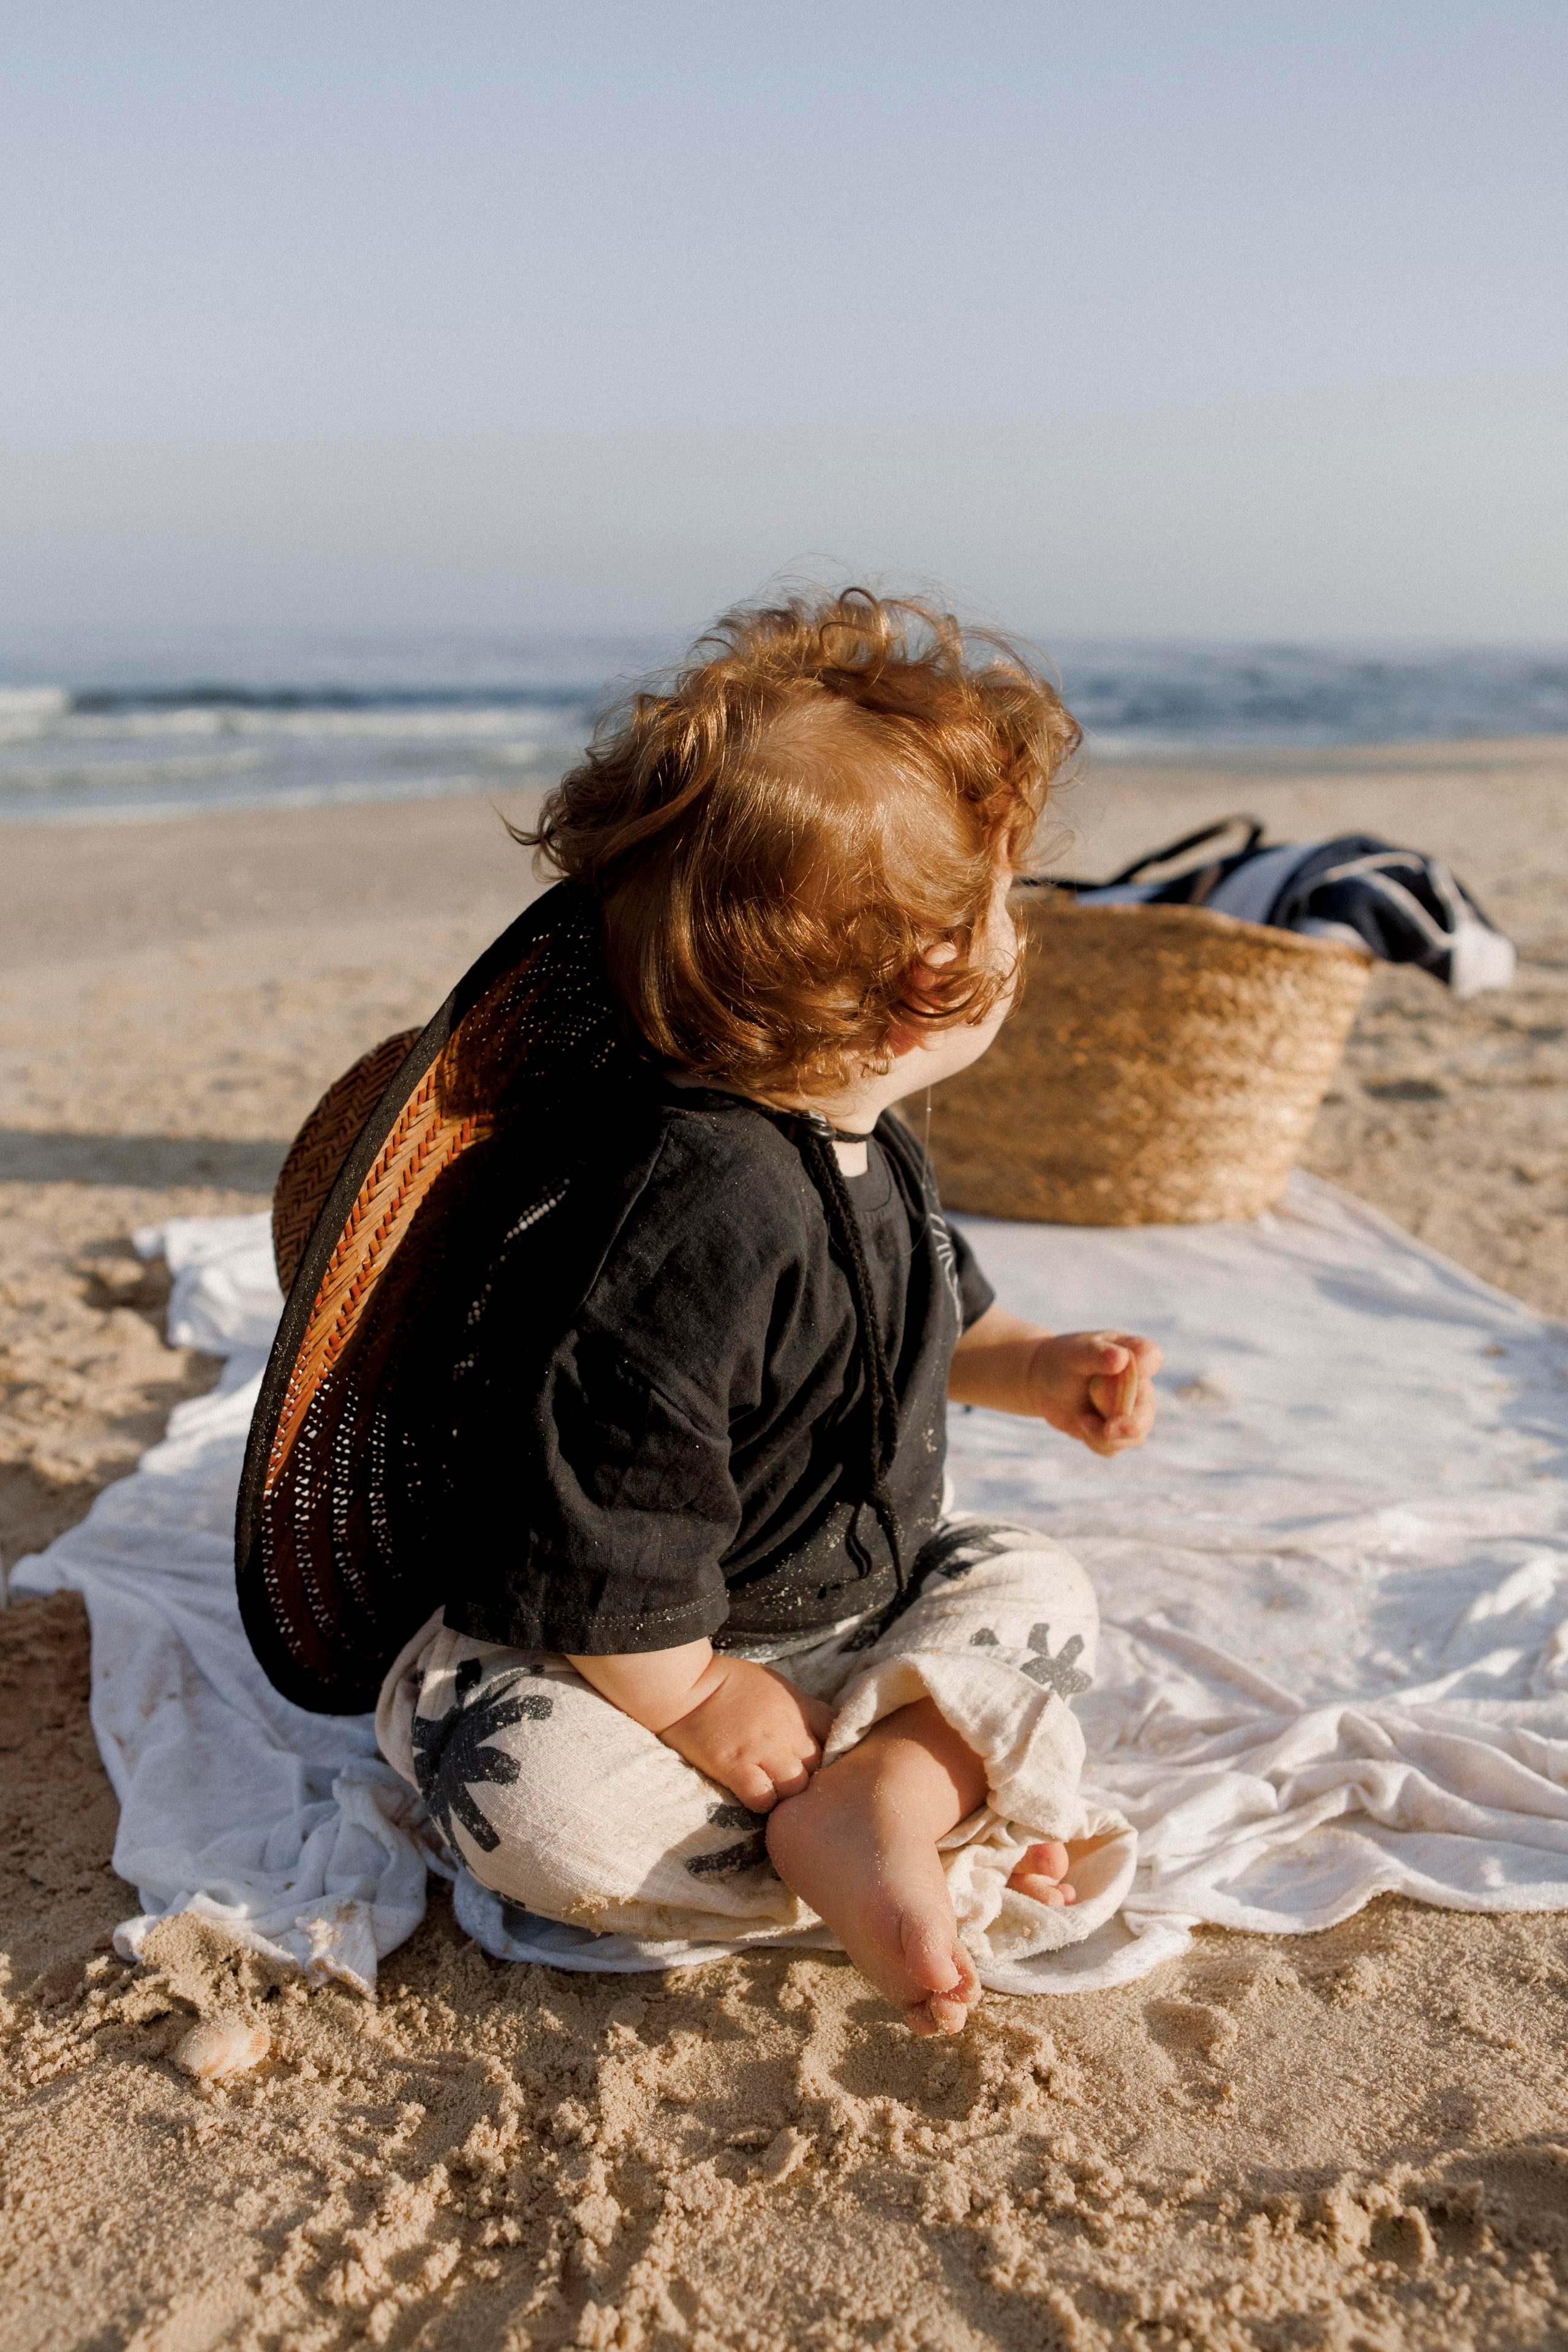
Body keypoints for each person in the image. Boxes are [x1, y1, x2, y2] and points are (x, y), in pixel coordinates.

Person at [374, 590, 1160, 2034]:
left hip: (848, 1609)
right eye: (1002, 905)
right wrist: (688, 1699)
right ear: (929, 985)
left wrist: (1039, 1366)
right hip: (616, 1655)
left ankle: (875, 1802)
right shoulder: (686, 1219)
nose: (1019, 932)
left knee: (1036, 1584)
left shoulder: (867, 1142)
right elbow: (596, 1516)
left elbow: (927, 1328)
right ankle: (917, 1819)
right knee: (531, 1795)